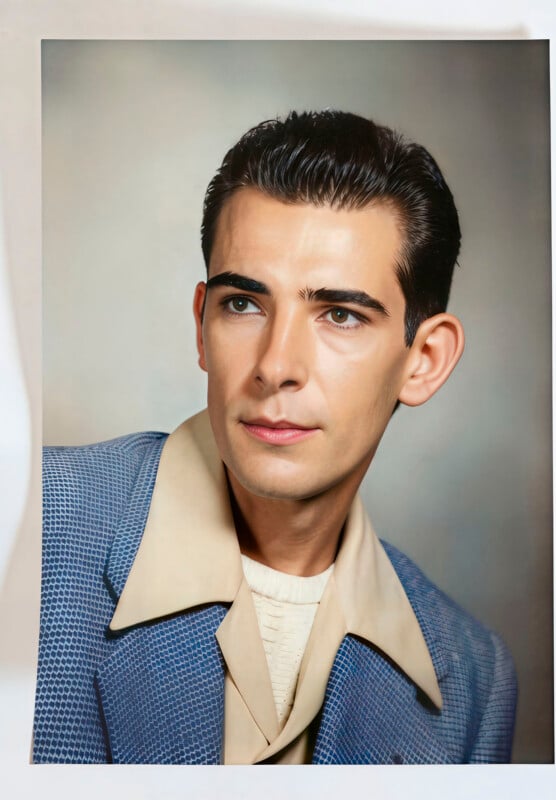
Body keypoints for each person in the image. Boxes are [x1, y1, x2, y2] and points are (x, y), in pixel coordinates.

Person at [33, 110, 517, 764]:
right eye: (244, 304)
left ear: (424, 359)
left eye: (340, 315)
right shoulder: (28, 525)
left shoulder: (472, 679)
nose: (276, 366)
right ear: (202, 324)